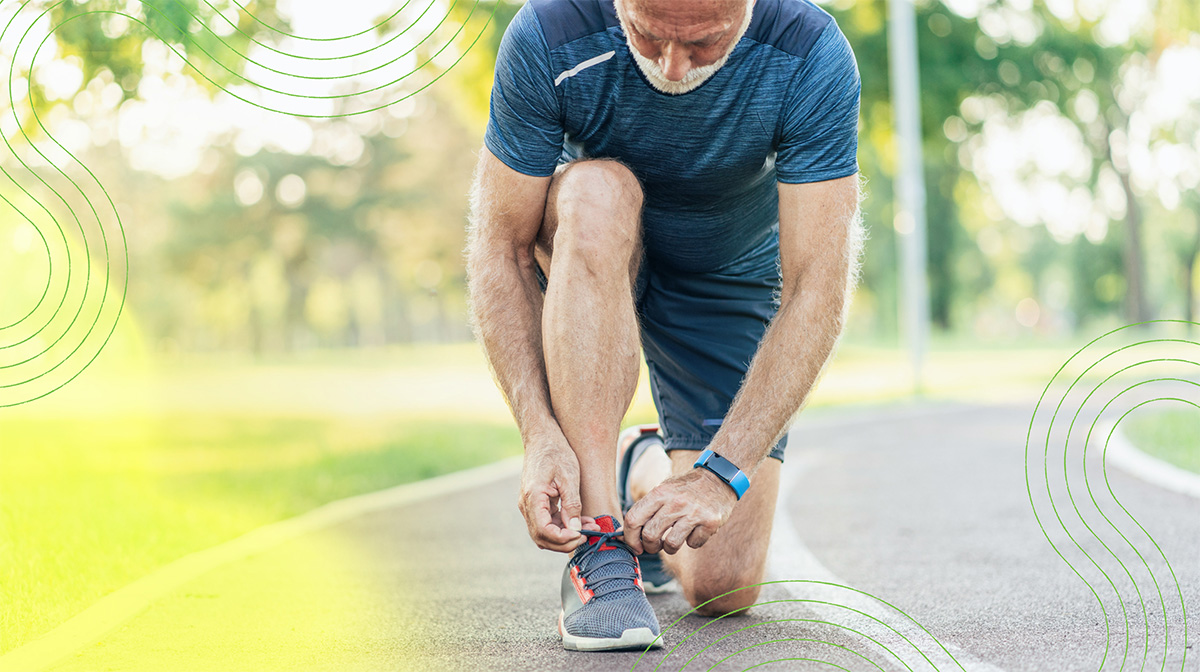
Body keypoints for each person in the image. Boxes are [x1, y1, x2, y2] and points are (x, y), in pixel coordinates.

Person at [465, 0, 864, 652]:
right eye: (647, 35)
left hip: (725, 278)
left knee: (725, 585)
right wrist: (538, 432)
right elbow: (501, 249)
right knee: (597, 192)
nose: (672, 66)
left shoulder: (809, 53)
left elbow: (817, 287)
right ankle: (600, 543)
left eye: (705, 43)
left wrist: (721, 474)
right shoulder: (549, 35)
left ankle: (639, 466)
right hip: (593, 248)